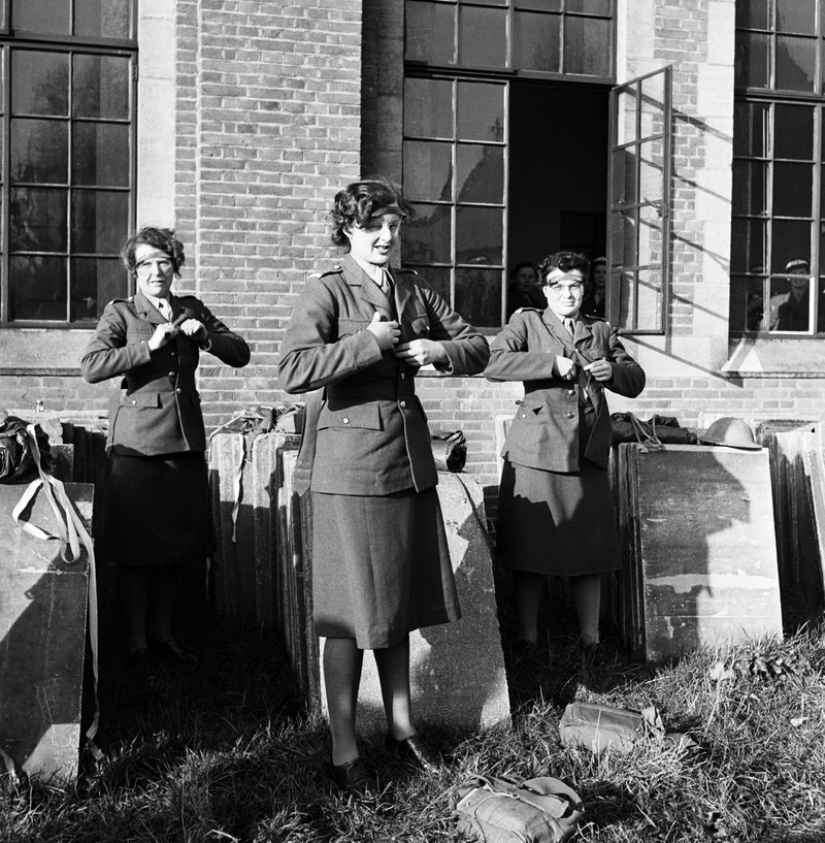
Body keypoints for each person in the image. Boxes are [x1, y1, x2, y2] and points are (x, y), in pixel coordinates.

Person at [278, 178, 489, 795]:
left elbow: (478, 343)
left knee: (395, 605)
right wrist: (367, 343)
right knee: (349, 613)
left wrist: (438, 350)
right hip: (350, 469)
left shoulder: (414, 289)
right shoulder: (325, 289)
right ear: (347, 229)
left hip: (406, 463)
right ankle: (344, 748)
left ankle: (401, 728)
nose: (387, 239)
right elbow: (293, 369)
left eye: (395, 226)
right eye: (374, 227)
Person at [81, 227, 250, 676]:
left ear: (174, 266)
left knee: (176, 546)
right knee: (138, 551)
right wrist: (145, 347)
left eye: (164, 261)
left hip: (185, 441)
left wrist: (206, 337)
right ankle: (135, 643)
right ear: (133, 271)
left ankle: (162, 634)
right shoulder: (122, 313)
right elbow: (92, 367)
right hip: (138, 446)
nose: (156, 271)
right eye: (146, 264)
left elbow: (241, 353)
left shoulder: (191, 308)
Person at [485, 251, 645, 651]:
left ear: (584, 288)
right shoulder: (527, 322)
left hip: (586, 452)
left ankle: (591, 640)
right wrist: (549, 365)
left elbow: (635, 378)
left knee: (590, 547)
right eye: (558, 285)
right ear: (545, 290)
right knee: (530, 547)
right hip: (537, 449)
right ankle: (528, 637)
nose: (568, 293)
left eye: (575, 284)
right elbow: (493, 363)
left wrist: (614, 373)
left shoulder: (600, 330)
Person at [767, 258, 811, 331]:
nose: (798, 277)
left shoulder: (819, 299)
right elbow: (762, 328)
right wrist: (775, 316)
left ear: (808, 276)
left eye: (801, 273)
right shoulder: (776, 301)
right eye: (794, 273)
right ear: (787, 277)